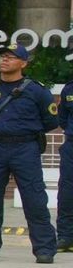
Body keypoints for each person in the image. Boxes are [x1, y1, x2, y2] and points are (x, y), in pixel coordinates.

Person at [0, 43, 59, 264]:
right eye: (2, 56)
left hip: (24, 148)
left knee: (34, 198)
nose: (4, 60)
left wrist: (23, 131)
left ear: (23, 63)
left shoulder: (36, 90)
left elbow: (50, 120)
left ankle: (44, 248)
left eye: (11, 57)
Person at [57, 75, 73, 253]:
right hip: (72, 146)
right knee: (67, 191)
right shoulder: (69, 89)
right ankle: (66, 237)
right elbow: (62, 118)